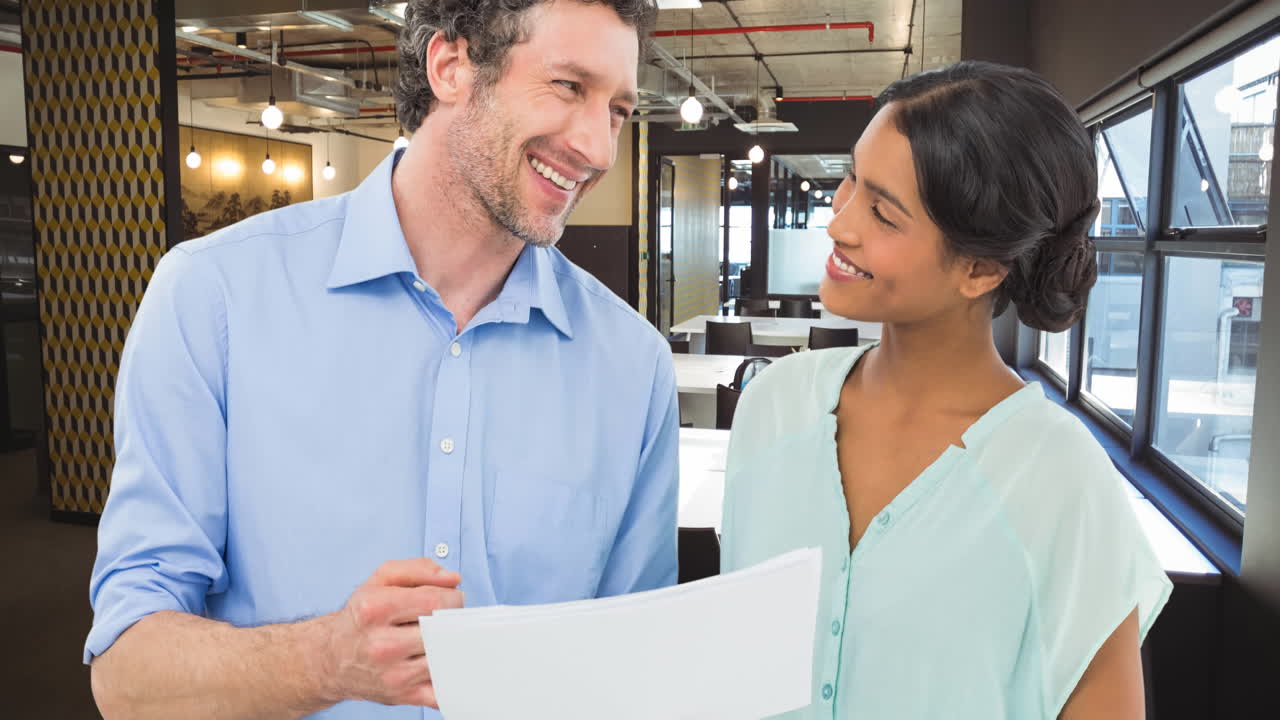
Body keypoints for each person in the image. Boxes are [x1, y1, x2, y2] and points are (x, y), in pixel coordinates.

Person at [86, 1, 674, 717]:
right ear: (451, 66)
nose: (600, 147)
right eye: (568, 86)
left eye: (617, 109)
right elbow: (125, 677)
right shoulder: (213, 298)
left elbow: (637, 670)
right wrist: (326, 660)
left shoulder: (633, 366)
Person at [721, 61, 1171, 719]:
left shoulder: (1057, 476)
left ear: (980, 268)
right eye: (851, 179)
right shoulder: (774, 406)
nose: (838, 223)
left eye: (881, 212)